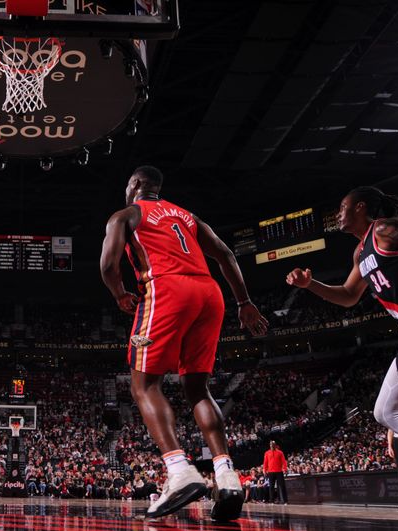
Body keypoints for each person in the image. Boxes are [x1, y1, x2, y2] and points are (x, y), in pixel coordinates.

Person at [100, 166, 268, 520]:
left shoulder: (126, 214)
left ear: (135, 185)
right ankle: (227, 476)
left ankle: (179, 471)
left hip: (168, 288)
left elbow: (108, 265)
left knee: (144, 385)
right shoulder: (188, 216)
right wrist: (244, 302)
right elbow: (226, 255)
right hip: (210, 294)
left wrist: (118, 295)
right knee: (197, 388)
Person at [286, 187, 398, 440]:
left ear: (360, 207)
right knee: (385, 412)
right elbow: (348, 295)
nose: (338, 214)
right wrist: (309, 285)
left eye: (342, 208)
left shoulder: (385, 229)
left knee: (391, 412)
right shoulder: (360, 252)